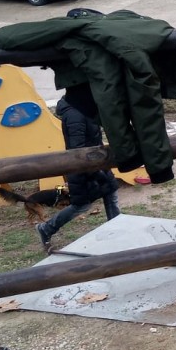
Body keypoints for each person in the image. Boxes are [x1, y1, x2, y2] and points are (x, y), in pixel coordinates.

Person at [36, 83, 121, 252]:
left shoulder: (84, 108)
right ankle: (45, 228)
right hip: (82, 167)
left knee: (110, 192)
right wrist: (94, 171)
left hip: (96, 162)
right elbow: (78, 150)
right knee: (81, 205)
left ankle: (117, 231)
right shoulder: (75, 115)